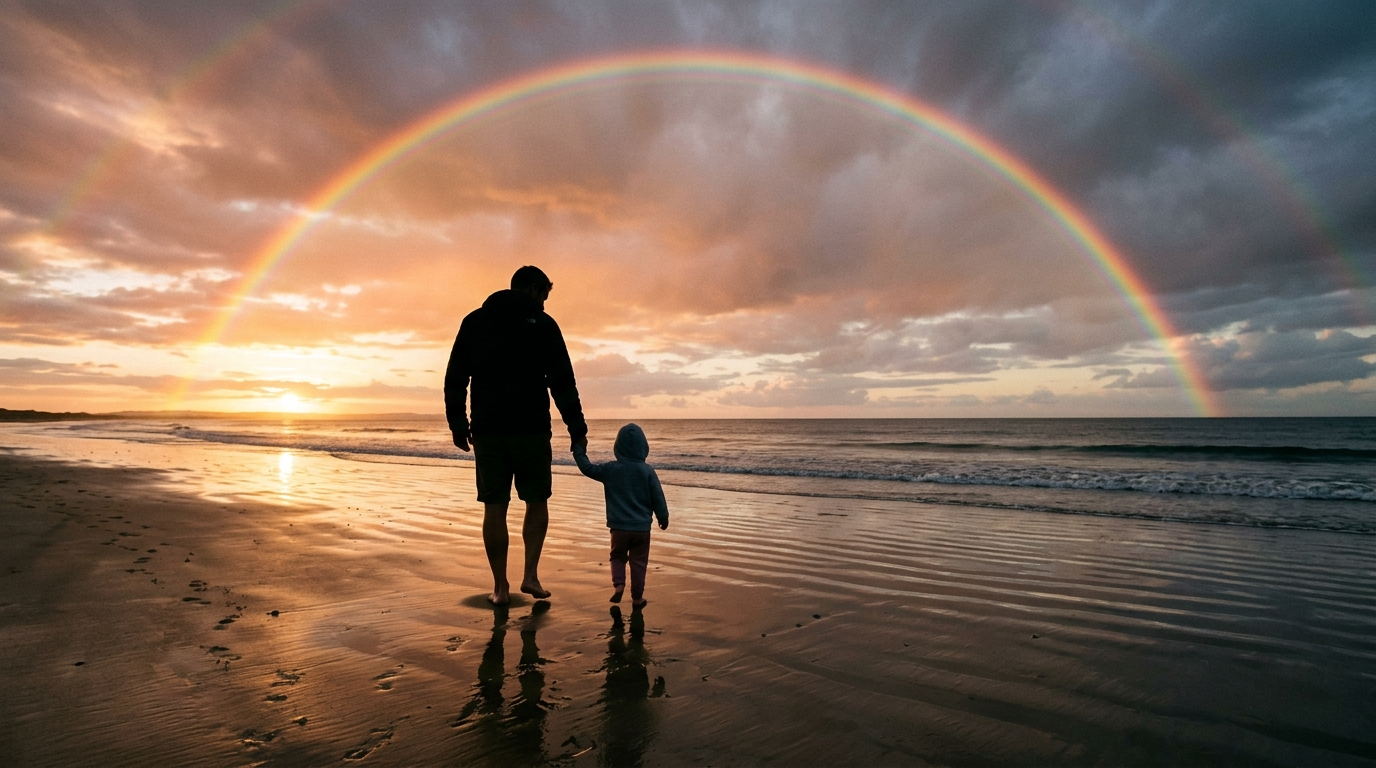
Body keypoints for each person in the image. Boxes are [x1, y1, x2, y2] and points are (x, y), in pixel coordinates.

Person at [445, 265, 588, 606]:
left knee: (494, 507)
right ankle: (531, 576)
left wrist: (457, 423)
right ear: (534, 290)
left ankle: (500, 587)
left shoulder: (475, 321)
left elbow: (456, 377)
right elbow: (562, 381)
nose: (544, 305)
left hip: (488, 431)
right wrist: (577, 428)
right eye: (544, 297)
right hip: (531, 430)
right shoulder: (543, 325)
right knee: (536, 501)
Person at [572, 423, 669, 607]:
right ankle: (637, 598)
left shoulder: (611, 469)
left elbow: (588, 468)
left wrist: (579, 449)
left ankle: (619, 584)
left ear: (617, 447)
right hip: (641, 529)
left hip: (618, 528)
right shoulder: (647, 471)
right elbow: (658, 496)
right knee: (639, 563)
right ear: (644, 447)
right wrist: (663, 517)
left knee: (617, 557)